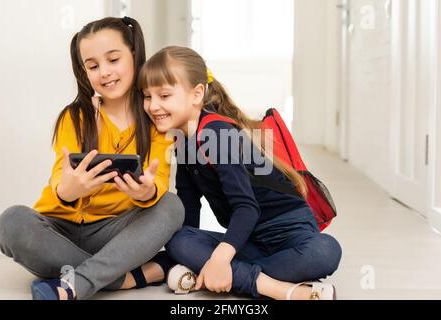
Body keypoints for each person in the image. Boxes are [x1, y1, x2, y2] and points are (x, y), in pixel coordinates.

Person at [0, 17, 184, 300]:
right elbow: (61, 174)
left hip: (116, 231)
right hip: (60, 232)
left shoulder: (155, 119)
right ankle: (123, 276)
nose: (104, 73)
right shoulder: (75, 117)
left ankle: (77, 283)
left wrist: (148, 192)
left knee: (171, 204)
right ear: (84, 71)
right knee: (11, 221)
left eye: (113, 60)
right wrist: (67, 191)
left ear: (134, 54)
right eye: (93, 66)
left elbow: (159, 179)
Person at [138, 46, 342, 300]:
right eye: (147, 96)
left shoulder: (217, 134)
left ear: (197, 94)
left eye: (164, 95)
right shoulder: (182, 141)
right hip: (247, 239)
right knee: (179, 239)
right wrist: (185, 252)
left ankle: (224, 275)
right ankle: (273, 286)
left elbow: (247, 207)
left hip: (288, 232)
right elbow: (190, 208)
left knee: (326, 251)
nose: (152, 106)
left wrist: (219, 258)